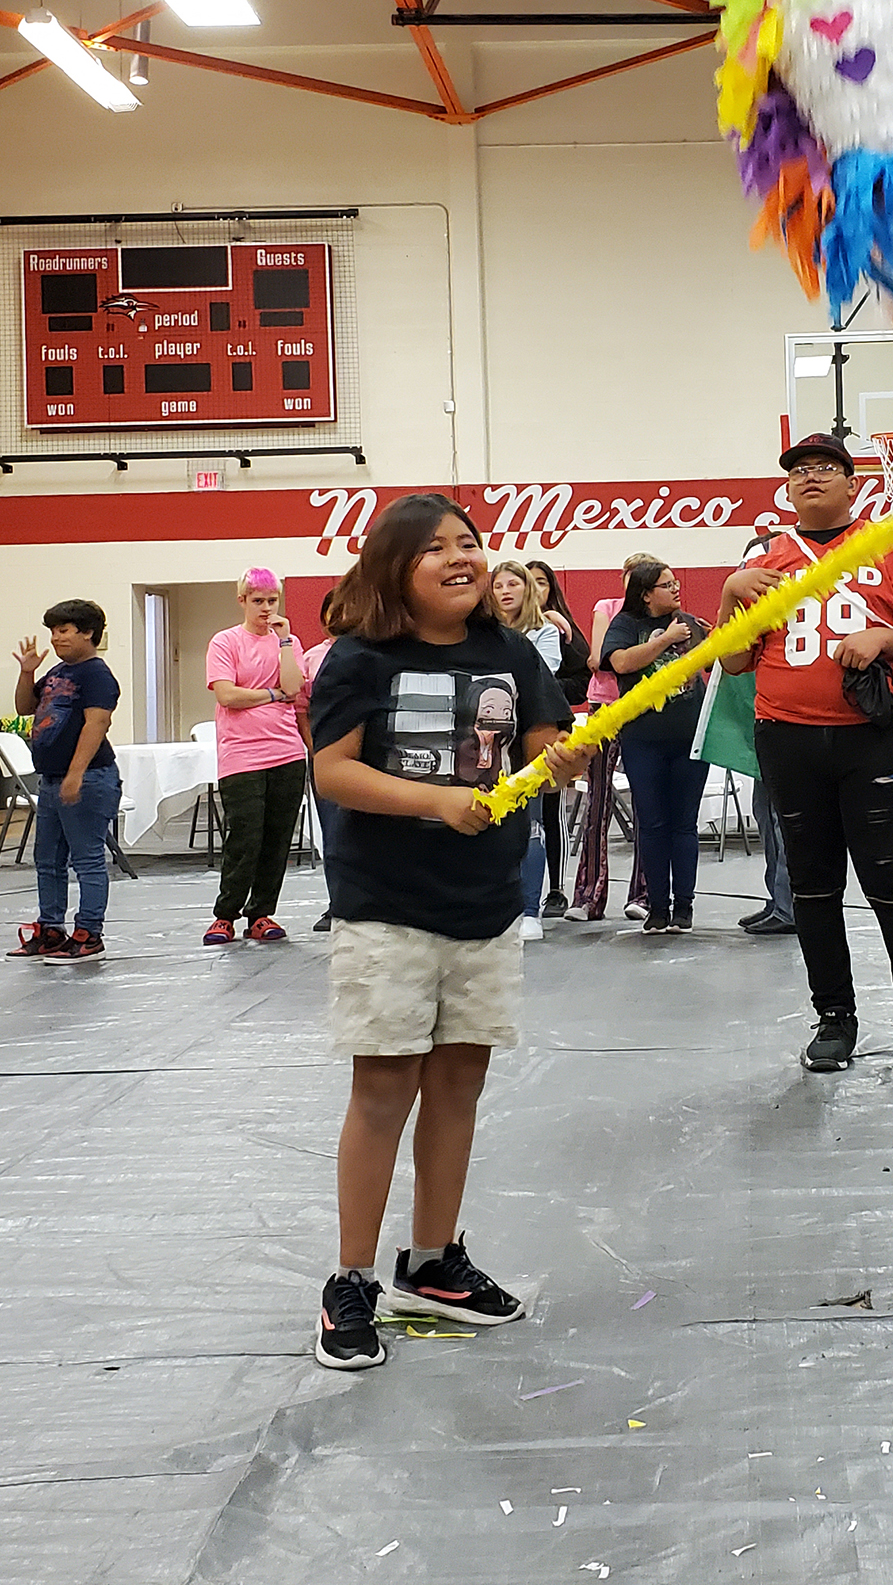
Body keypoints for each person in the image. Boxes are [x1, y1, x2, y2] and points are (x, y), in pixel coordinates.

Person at [309, 493, 579, 1370]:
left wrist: (561, 761)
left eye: (468, 542)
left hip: (486, 901)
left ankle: (431, 1262)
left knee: (459, 1082)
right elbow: (335, 772)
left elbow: (543, 746)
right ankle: (351, 1281)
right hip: (386, 905)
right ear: (396, 568)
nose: (462, 558)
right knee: (384, 1087)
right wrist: (438, 802)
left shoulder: (510, 650)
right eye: (436, 549)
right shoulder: (359, 658)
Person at [717, 432, 893, 1076]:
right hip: (788, 737)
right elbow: (736, 659)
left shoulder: (892, 549)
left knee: (890, 878)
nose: (811, 477)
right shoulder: (766, 557)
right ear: (786, 488)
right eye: (799, 471)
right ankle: (834, 1017)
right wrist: (729, 593)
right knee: (813, 885)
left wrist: (881, 637)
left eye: (827, 468)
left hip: (869, 735)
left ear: (854, 485)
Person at [9, 599, 122, 963]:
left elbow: (96, 724)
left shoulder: (96, 675)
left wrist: (75, 774)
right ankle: (51, 929)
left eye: (64, 631)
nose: (56, 639)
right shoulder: (59, 672)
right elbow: (25, 707)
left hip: (88, 778)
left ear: (87, 633)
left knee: (86, 860)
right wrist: (27, 673)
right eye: (53, 632)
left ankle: (89, 933)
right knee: (48, 860)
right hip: (51, 780)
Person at [602, 562, 711, 934]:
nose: (676, 589)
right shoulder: (626, 625)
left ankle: (684, 906)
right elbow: (619, 662)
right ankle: (657, 907)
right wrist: (664, 639)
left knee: (684, 823)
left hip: (689, 738)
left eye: (676, 582)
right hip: (643, 739)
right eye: (667, 585)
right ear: (646, 593)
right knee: (651, 823)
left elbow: (718, 660)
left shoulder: (692, 623)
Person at [202, 569, 308, 946]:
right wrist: (272, 694)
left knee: (277, 838)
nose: (265, 608)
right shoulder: (225, 641)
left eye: (271, 601)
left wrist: (284, 643)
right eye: (258, 600)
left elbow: (294, 688)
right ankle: (225, 915)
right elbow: (227, 696)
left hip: (286, 751)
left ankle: (261, 913)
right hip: (242, 755)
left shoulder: (287, 643)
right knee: (244, 836)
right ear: (243, 601)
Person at [567, 553, 654, 924]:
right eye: (630, 576)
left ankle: (645, 895)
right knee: (597, 803)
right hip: (604, 707)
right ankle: (589, 896)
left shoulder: (660, 617)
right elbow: (600, 658)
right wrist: (639, 653)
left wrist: (631, 656)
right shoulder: (608, 607)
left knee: (646, 805)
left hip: (645, 709)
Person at [491, 560, 562, 942]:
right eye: (498, 584)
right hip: (487, 740)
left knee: (531, 824)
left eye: (513, 584)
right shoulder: (481, 635)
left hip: (527, 738)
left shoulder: (544, 631)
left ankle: (531, 909)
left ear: (527, 590)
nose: (505, 591)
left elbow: (540, 677)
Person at [734, 527, 794, 936]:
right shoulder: (749, 619)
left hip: (788, 731)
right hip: (763, 732)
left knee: (782, 823)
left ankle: (790, 907)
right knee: (765, 817)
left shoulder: (787, 616)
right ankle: (776, 899)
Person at [527, 559, 591, 918]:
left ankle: (556, 889)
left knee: (551, 810)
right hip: (511, 729)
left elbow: (582, 678)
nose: (535, 590)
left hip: (549, 724)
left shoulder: (560, 630)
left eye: (542, 583)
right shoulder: (502, 630)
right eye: (528, 582)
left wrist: (547, 693)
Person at [303, 588, 340, 934]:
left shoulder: (374, 653)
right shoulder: (311, 658)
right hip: (325, 758)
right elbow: (302, 710)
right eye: (334, 610)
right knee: (333, 831)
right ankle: (337, 904)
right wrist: (317, 751)